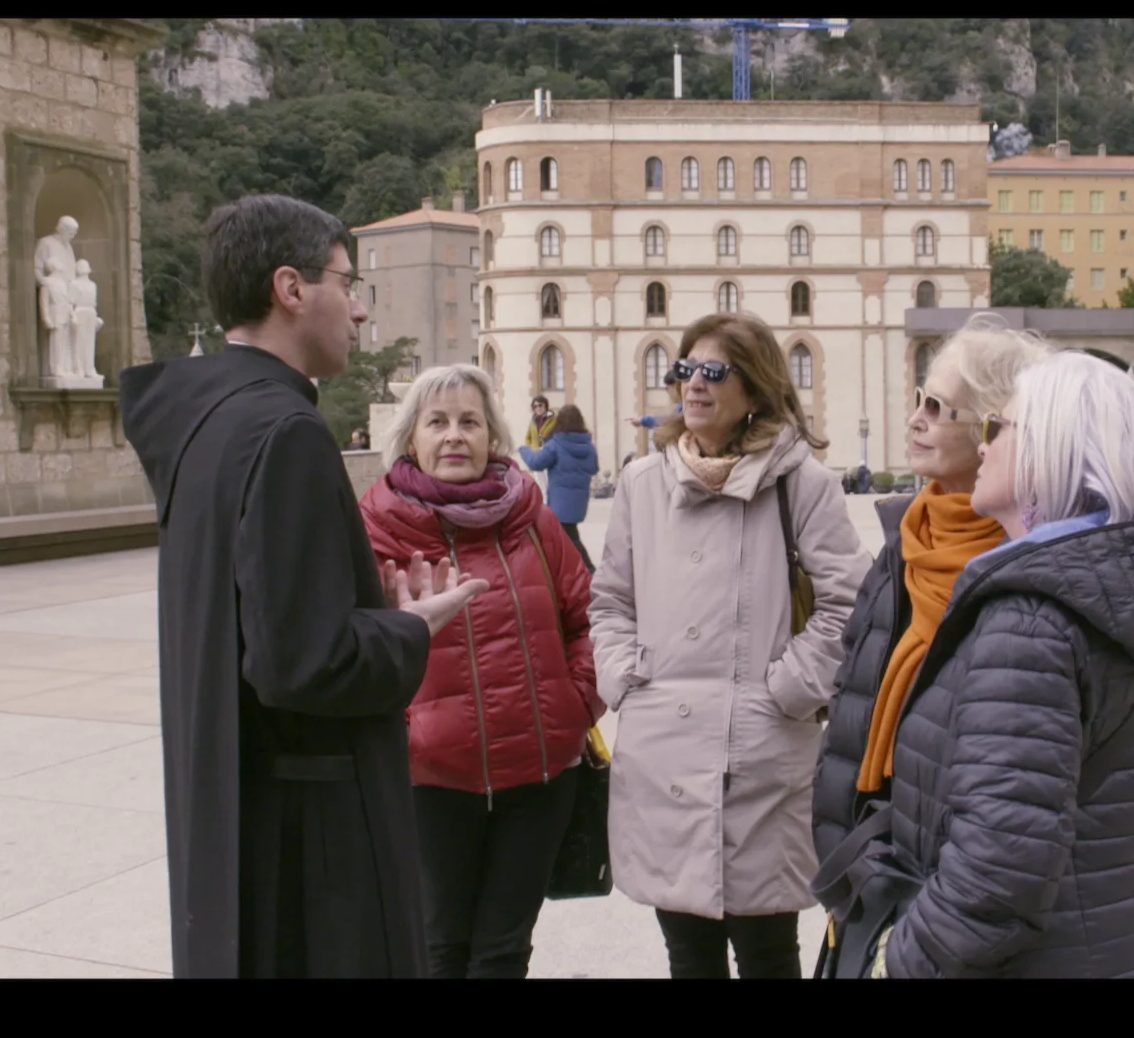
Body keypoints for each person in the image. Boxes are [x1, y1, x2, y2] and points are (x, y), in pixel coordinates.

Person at [120, 194, 487, 979]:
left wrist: (361, 613)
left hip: (235, 811)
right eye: (346, 284)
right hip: (309, 843)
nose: (357, 310)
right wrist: (412, 626)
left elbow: (261, 623)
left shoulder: (205, 422)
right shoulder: (286, 435)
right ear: (291, 288)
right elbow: (301, 663)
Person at [814, 350, 1134, 979]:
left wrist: (894, 963)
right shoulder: (1115, 585)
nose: (984, 446)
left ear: (1053, 450)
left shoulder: (1031, 619)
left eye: (999, 429)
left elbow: (996, 876)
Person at [589, 312, 871, 980]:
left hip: (763, 751)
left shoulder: (801, 481)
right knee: (687, 954)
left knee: (769, 953)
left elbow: (851, 602)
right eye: (685, 368)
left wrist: (789, 691)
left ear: (756, 386)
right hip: (665, 752)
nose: (695, 383)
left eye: (716, 371)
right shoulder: (641, 483)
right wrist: (625, 678)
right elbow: (611, 601)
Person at [358, 363, 603, 979]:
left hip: (539, 776)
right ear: (410, 438)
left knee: (502, 950)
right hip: (428, 780)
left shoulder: (531, 518)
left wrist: (575, 706)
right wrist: (408, 727)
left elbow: (589, 618)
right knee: (439, 949)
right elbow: (354, 646)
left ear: (493, 436)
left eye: (470, 421)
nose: (454, 436)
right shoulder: (375, 529)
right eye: (436, 422)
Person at [812, 317, 1049, 867]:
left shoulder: (1028, 559)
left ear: (992, 426)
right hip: (871, 839)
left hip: (958, 862)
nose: (916, 419)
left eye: (938, 408)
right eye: (921, 399)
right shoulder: (906, 536)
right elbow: (855, 682)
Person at [518, 404, 601, 572]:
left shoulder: (556, 444)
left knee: (566, 537)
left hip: (560, 504)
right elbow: (594, 468)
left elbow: (536, 463)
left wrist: (524, 450)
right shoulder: (588, 446)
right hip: (578, 502)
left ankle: (589, 570)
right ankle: (570, 570)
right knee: (566, 535)